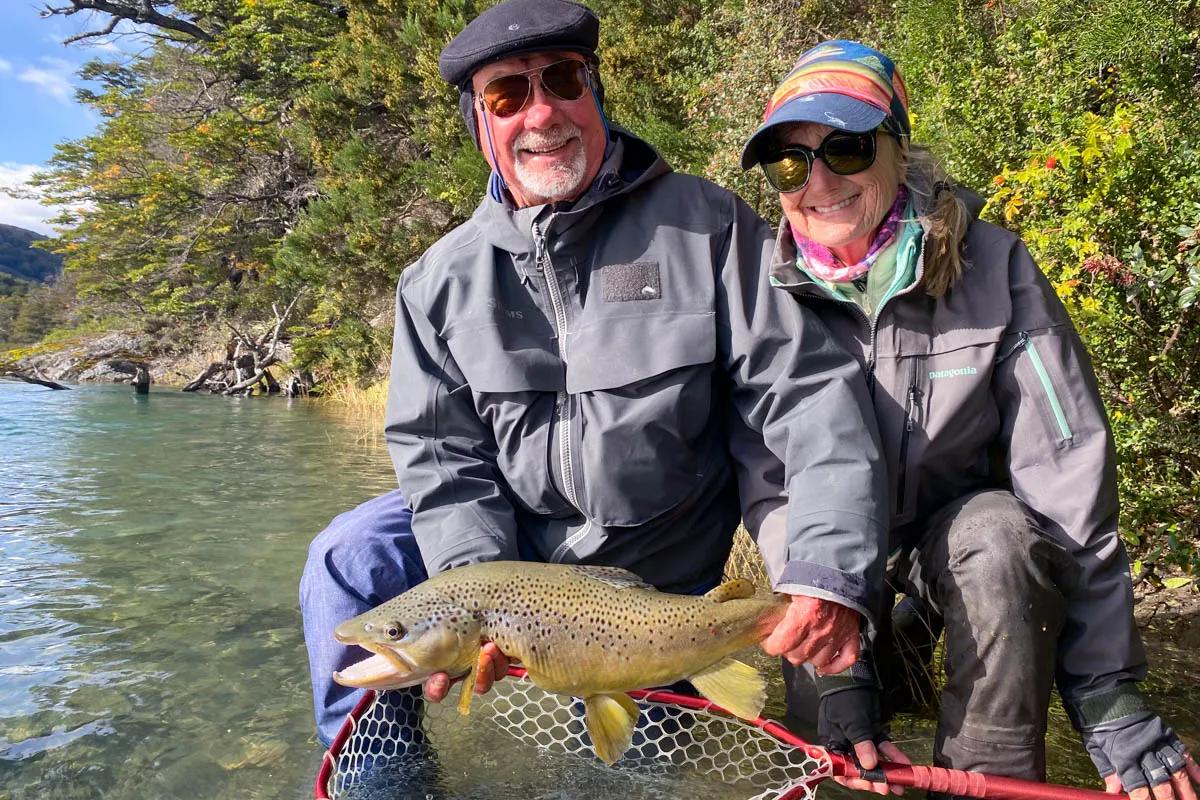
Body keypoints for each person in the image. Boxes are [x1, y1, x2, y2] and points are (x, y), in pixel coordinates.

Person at [300, 0, 893, 773]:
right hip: (508, 562)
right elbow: (442, 464)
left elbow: (808, 400)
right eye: (508, 96)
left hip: (655, 584)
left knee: (620, 778)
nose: (542, 111)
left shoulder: (706, 227)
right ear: (479, 123)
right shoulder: (436, 283)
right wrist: (473, 596)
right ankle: (382, 776)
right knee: (350, 557)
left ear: (596, 90)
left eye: (563, 80)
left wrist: (826, 574)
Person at [739, 39, 1200, 800]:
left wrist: (1109, 697)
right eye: (789, 162)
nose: (816, 181)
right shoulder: (756, 291)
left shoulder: (996, 267)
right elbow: (769, 489)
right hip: (819, 555)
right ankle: (866, 679)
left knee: (1001, 539)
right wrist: (839, 665)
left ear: (899, 151)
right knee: (830, 730)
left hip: (950, 540)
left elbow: (1068, 478)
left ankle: (990, 774)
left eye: (846, 150)